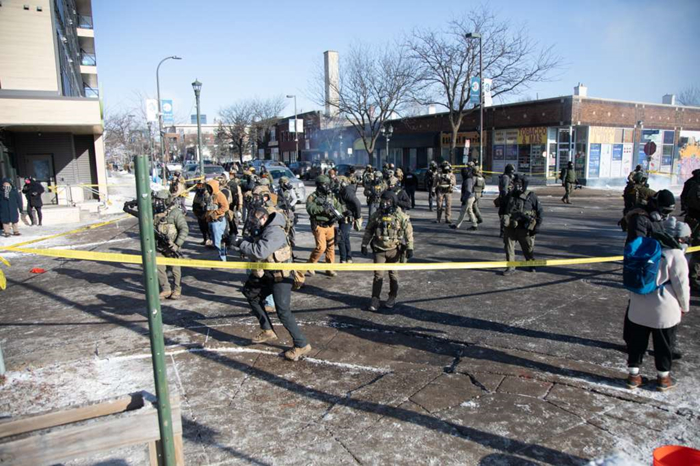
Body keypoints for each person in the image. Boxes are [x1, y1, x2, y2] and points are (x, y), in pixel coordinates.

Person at [234, 206, 311, 361]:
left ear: (264, 218)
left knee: (283, 311)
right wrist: (236, 242)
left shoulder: (275, 231)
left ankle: (302, 344)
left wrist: (241, 244)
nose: (254, 225)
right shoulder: (265, 228)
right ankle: (267, 330)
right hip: (268, 273)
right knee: (251, 293)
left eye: (256, 221)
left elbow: (260, 251)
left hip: (282, 276)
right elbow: (255, 242)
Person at [624, 219, 690, 391]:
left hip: (638, 305)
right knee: (664, 344)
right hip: (663, 309)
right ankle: (663, 378)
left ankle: (633, 376)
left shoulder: (643, 248)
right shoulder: (675, 254)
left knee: (636, 342)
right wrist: (684, 306)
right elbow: (681, 285)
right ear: (679, 238)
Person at [361, 191, 414, 312]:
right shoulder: (377, 215)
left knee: (393, 275)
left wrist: (410, 247)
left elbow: (409, 232)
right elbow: (369, 229)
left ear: (393, 202)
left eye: (387, 201)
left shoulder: (400, 215)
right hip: (379, 250)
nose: (384, 203)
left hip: (394, 250)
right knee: (378, 275)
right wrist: (364, 244)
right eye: (383, 200)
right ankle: (375, 298)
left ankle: (392, 296)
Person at [500, 174, 543, 275]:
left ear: (524, 184)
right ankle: (511, 267)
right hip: (510, 227)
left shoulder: (531, 196)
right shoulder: (510, 194)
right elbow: (502, 209)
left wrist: (537, 226)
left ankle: (531, 264)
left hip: (524, 228)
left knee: (528, 248)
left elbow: (540, 211)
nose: (516, 185)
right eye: (515, 183)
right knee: (509, 248)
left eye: (519, 183)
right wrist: (503, 223)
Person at [153, 190, 189, 300]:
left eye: (162, 200)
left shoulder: (175, 213)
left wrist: (177, 244)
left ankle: (177, 289)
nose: (159, 203)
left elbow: (184, 229)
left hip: (172, 246)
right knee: (159, 268)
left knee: (175, 269)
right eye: (158, 200)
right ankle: (166, 289)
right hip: (159, 246)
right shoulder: (155, 212)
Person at [306, 175, 343, 277]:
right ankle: (310, 264)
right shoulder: (313, 197)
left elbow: (339, 207)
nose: (327, 186)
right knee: (321, 247)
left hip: (330, 225)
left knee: (331, 248)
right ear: (319, 185)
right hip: (319, 225)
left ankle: (329, 268)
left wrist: (338, 214)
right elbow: (310, 209)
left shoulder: (331, 196)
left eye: (328, 184)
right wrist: (322, 209)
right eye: (324, 184)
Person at [335, 176, 362, 264]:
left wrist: (357, 217)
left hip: (346, 218)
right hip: (342, 217)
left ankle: (343, 259)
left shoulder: (347, 191)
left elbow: (357, 203)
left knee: (341, 238)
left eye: (337, 183)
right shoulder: (342, 190)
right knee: (345, 238)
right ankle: (348, 257)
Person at [205, 179, 230, 261]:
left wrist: (216, 213)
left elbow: (225, 207)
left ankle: (223, 260)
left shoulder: (220, 195)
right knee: (216, 243)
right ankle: (220, 258)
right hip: (212, 221)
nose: (208, 189)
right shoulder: (211, 196)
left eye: (210, 187)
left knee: (220, 242)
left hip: (218, 222)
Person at [451, 166, 483, 231]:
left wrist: (464, 199)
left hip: (469, 197)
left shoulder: (468, 180)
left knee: (463, 211)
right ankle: (474, 225)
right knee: (470, 211)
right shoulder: (469, 179)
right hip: (470, 197)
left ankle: (456, 225)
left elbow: (468, 191)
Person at [497, 164, 516, 238]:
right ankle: (504, 231)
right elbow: (504, 189)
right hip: (506, 199)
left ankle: (505, 231)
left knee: (505, 214)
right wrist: (506, 198)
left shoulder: (506, 177)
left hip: (506, 198)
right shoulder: (506, 177)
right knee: (504, 215)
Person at [192, 180, 211, 246]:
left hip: (204, 213)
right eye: (198, 185)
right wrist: (194, 210)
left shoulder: (206, 193)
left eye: (200, 185)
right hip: (198, 213)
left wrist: (206, 212)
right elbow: (194, 202)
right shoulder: (198, 193)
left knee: (206, 228)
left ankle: (209, 240)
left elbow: (209, 204)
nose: (199, 186)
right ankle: (205, 239)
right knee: (202, 228)